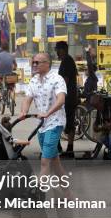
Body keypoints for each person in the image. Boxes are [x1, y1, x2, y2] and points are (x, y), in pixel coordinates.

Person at [19, 52, 68, 185]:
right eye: (33, 62)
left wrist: (48, 113)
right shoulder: (34, 80)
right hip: (41, 126)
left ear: (47, 64)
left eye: (37, 63)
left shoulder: (57, 79)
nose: (34, 65)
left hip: (55, 123)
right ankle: (68, 196)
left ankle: (38, 194)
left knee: (45, 161)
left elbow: (61, 99)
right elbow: (27, 98)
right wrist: (24, 111)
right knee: (55, 164)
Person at [55, 41, 79, 158]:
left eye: (57, 50)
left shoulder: (67, 62)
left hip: (67, 98)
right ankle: (67, 149)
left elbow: (65, 80)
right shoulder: (68, 61)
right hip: (69, 97)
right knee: (67, 122)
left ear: (63, 49)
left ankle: (68, 149)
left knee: (62, 121)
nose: (56, 52)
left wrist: (59, 96)